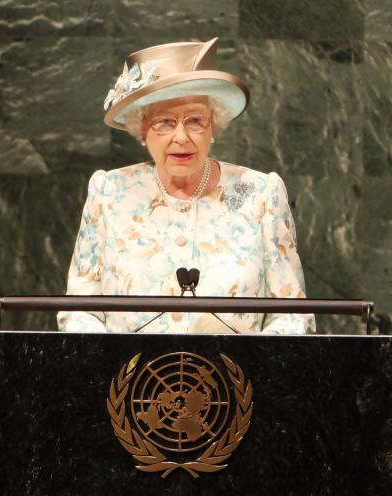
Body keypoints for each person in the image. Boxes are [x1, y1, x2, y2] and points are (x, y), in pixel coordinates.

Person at [57, 38, 316, 334]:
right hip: (131, 378)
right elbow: (79, 312)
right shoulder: (110, 193)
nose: (181, 137)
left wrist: (251, 363)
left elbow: (293, 314)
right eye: (164, 122)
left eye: (195, 121)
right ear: (142, 130)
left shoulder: (259, 193)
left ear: (213, 126)